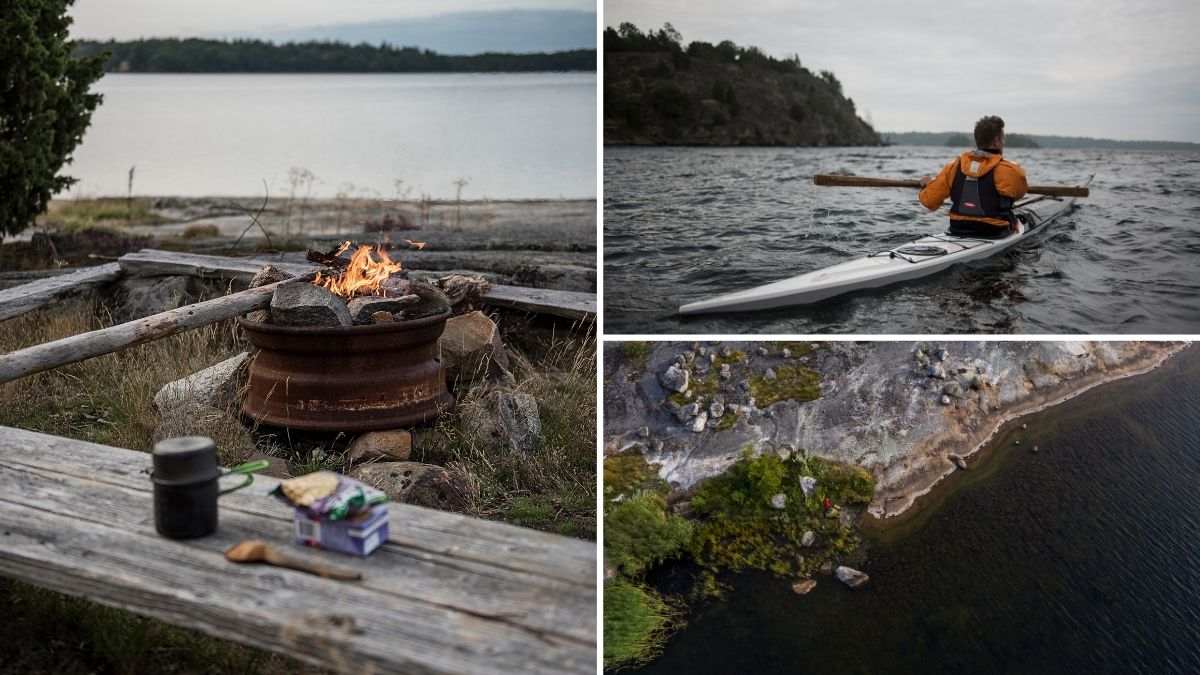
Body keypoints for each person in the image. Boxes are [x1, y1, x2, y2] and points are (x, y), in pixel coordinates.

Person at [918, 115, 1028, 238]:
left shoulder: (954, 166)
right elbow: (1019, 193)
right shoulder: (1008, 170)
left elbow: (930, 201)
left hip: (958, 228)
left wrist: (927, 185)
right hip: (994, 231)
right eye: (1003, 139)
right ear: (997, 141)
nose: (1003, 142)